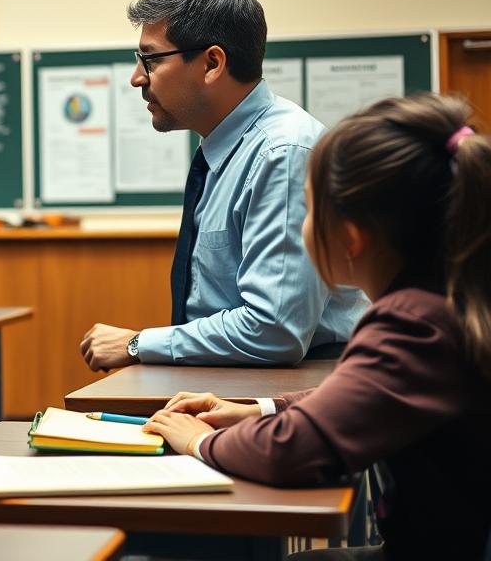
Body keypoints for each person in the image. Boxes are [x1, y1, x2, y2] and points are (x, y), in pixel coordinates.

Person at [143, 93, 491, 560]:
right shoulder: (450, 301)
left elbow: (290, 451)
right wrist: (262, 410)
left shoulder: (412, 323)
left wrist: (201, 442)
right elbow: (370, 395)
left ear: (350, 238)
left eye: (307, 211)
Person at [80, 0, 367, 370]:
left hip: (290, 392)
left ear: (212, 63)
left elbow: (274, 331)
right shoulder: (227, 149)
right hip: (236, 383)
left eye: (151, 59)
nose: (137, 77)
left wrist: (136, 343)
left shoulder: (281, 153)